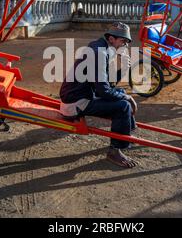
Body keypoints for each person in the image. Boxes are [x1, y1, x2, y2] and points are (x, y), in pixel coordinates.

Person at [59, 22, 138, 168]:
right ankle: (115, 150)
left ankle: (126, 133)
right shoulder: (99, 54)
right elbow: (103, 91)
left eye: (126, 43)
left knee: (122, 94)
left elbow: (106, 84)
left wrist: (123, 72)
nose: (124, 46)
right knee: (123, 106)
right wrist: (125, 97)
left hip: (82, 96)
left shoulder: (99, 47)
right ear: (111, 39)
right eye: (122, 41)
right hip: (75, 104)